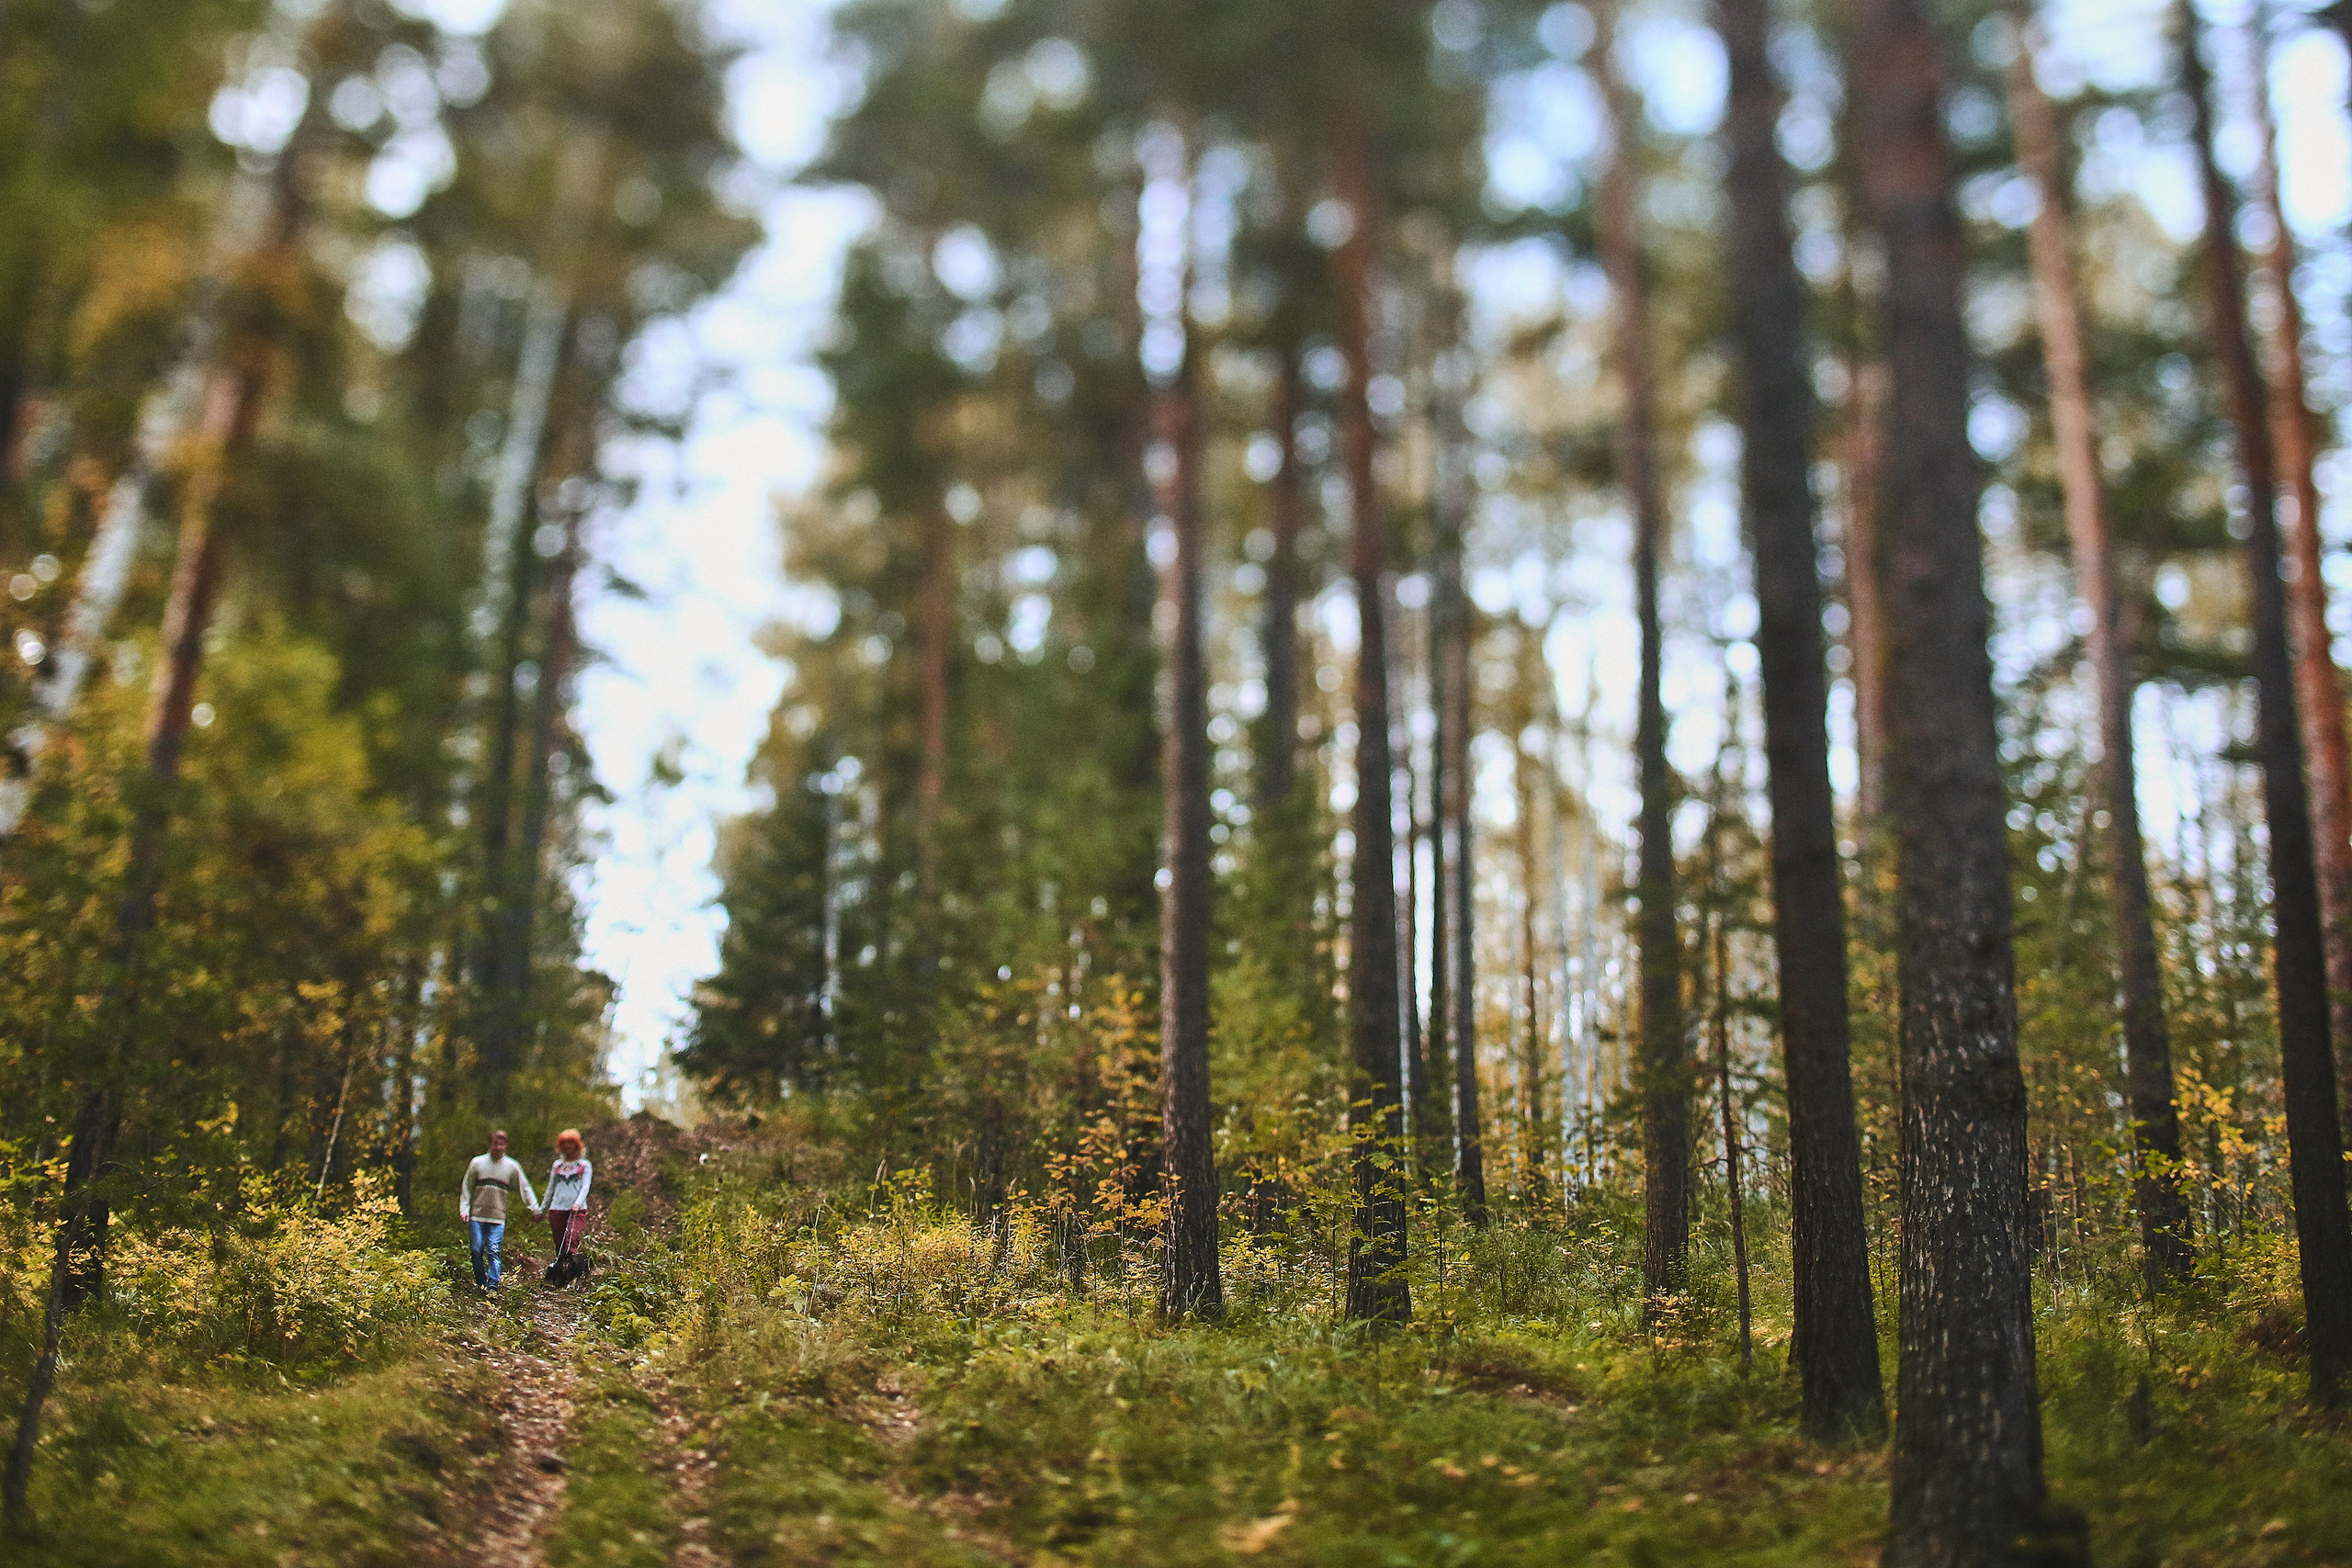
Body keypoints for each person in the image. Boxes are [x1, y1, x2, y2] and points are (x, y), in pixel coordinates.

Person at [459, 1129, 540, 1292]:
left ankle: (493, 1285)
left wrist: (534, 1208)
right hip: (477, 1216)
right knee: (476, 1250)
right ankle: (481, 1281)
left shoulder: (512, 1166)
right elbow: (467, 1187)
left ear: (506, 1146)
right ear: (490, 1144)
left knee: (494, 1250)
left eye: (502, 1144)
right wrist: (464, 1209)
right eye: (495, 1143)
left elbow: (524, 1188)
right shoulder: (477, 1163)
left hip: (497, 1217)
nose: (498, 1147)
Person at [543, 1128, 594, 1271]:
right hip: (557, 1208)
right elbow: (550, 1188)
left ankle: (572, 1270)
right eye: (564, 1143)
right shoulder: (557, 1165)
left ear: (577, 1145)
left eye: (571, 1143)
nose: (567, 1146)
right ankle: (560, 1269)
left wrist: (577, 1203)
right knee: (559, 1242)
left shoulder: (584, 1165)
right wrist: (542, 1209)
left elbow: (585, 1186)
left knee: (572, 1238)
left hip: (576, 1209)